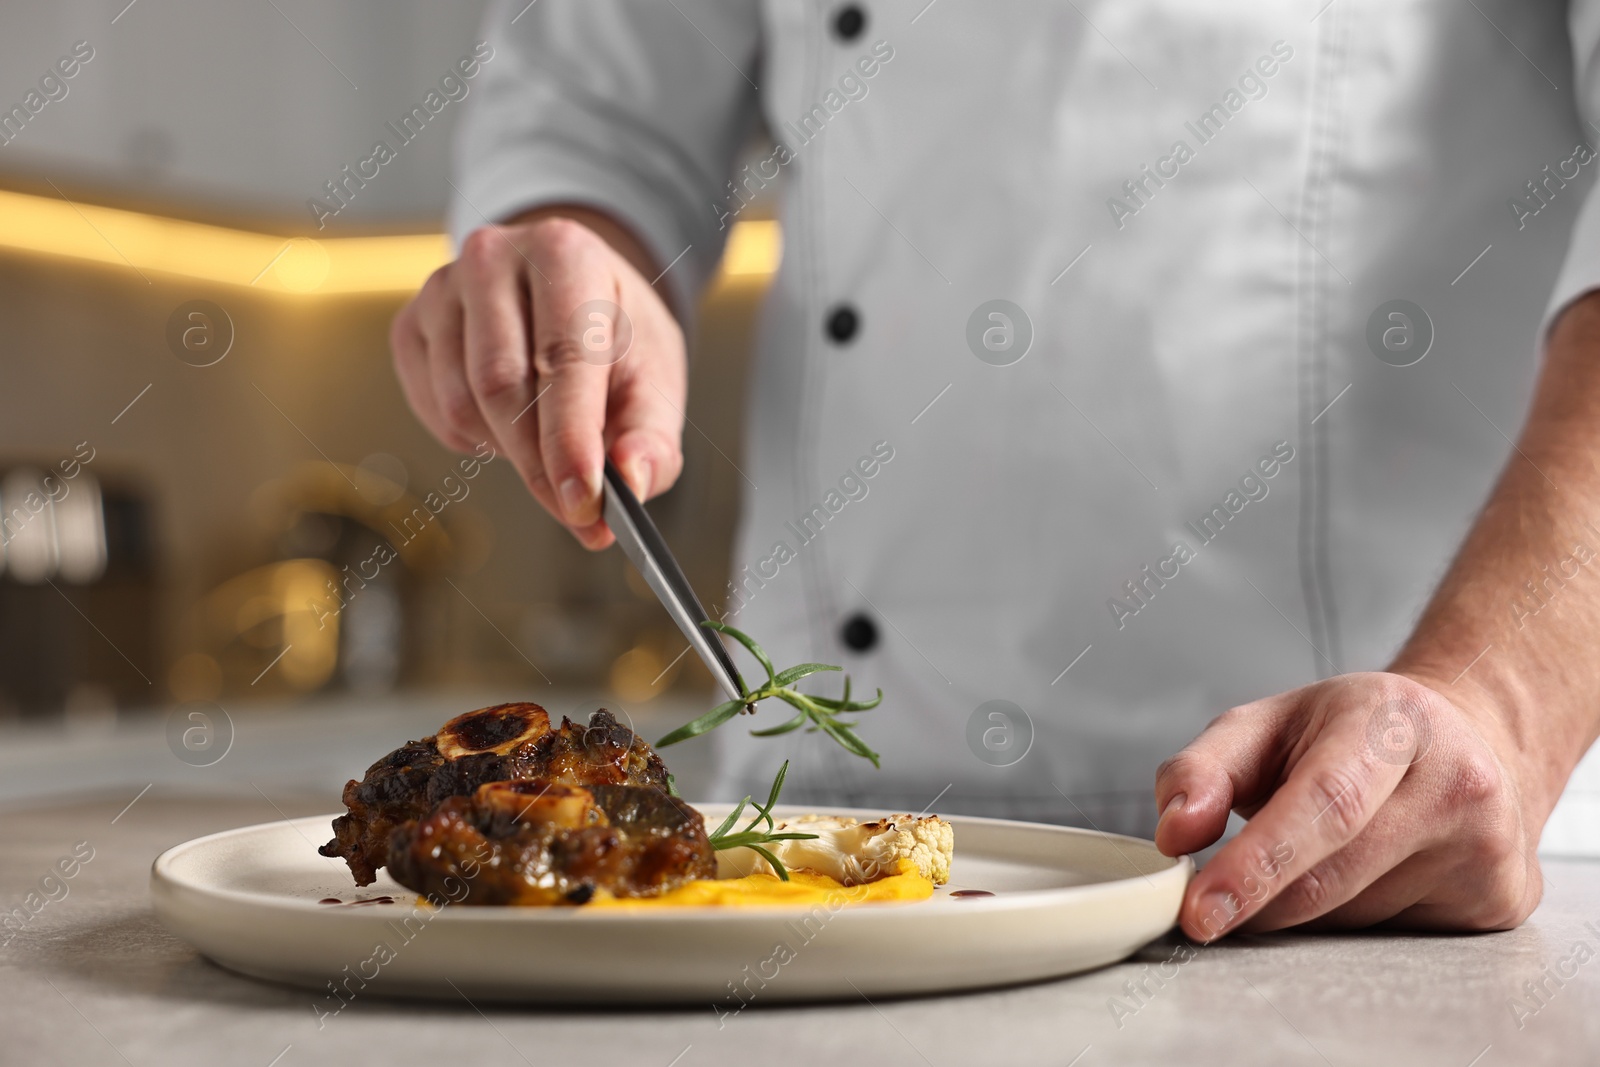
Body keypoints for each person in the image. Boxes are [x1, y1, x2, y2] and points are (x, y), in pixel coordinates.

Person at [389, 0, 1600, 943]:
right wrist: (580, 251)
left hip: (1392, 845)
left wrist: (1502, 701)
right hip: (813, 851)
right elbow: (600, 106)